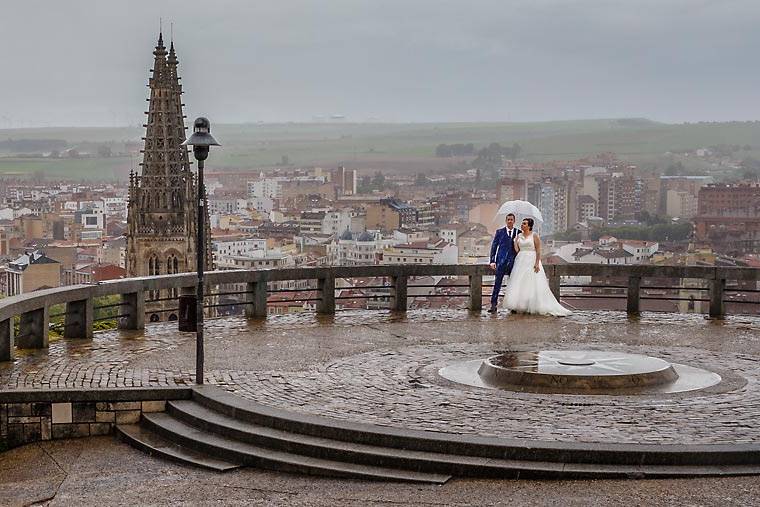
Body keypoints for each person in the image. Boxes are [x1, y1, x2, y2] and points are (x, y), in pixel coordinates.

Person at [503, 218, 572, 316]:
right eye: (522, 223)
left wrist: (536, 263)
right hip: (521, 260)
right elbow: (517, 250)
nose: (522, 225)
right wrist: (515, 242)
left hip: (532, 259)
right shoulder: (518, 236)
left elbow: (538, 250)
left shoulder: (534, 235)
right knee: (519, 282)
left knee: (532, 282)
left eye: (524, 224)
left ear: (529, 226)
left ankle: (533, 305)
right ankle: (521, 305)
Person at [488, 213, 520, 313]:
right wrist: (492, 261)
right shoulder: (499, 232)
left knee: (514, 284)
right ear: (506, 221)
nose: (510, 221)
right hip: (500, 262)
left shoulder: (518, 233)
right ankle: (493, 305)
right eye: (508, 219)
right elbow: (494, 247)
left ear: (514, 221)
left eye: (512, 220)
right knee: (497, 283)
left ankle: (514, 306)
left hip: (513, 262)